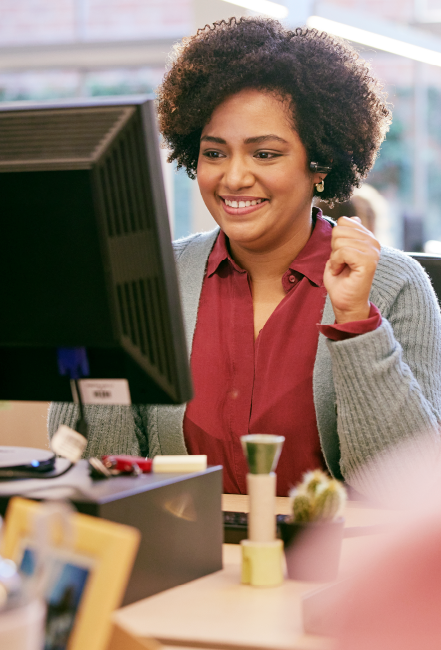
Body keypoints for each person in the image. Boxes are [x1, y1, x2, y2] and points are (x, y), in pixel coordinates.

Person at [48, 17, 441, 498]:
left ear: (319, 164)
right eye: (214, 153)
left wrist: (356, 320)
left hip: (335, 567)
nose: (233, 178)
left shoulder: (393, 284)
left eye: (265, 154)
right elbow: (90, 469)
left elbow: (408, 493)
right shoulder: (155, 280)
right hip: (188, 561)